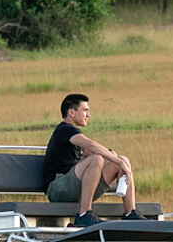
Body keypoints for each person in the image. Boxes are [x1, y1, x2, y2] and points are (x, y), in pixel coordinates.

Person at [42, 92, 140, 222]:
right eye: (85, 110)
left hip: (77, 188)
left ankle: (130, 213)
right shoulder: (64, 130)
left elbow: (90, 151)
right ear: (71, 113)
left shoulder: (73, 136)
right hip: (58, 189)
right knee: (98, 159)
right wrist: (115, 160)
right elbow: (91, 145)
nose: (89, 115)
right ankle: (84, 214)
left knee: (123, 159)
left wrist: (118, 161)